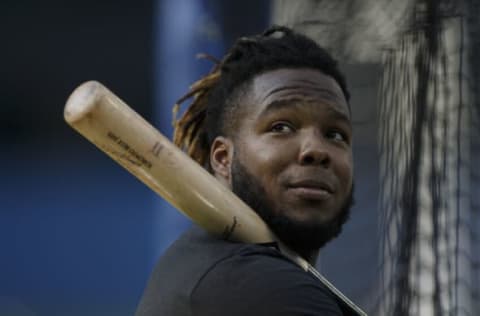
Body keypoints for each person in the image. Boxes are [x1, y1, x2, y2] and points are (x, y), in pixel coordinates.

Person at [135, 25, 359, 316]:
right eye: (281, 127)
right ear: (223, 158)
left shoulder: (205, 261)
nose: (316, 150)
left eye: (335, 134)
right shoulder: (258, 285)